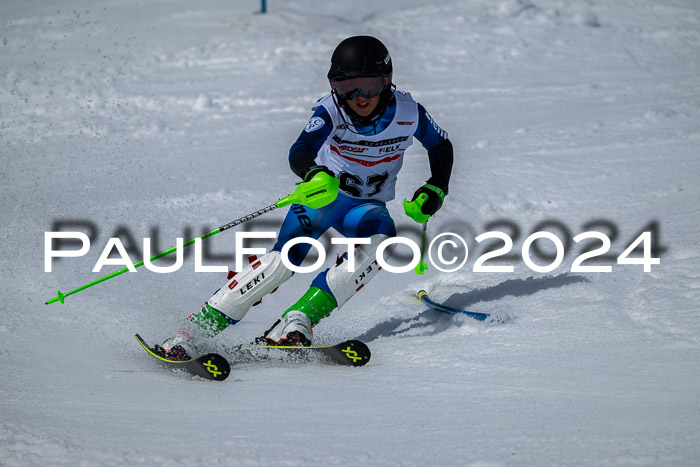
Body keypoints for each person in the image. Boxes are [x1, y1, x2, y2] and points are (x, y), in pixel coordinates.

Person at [156, 35, 454, 360]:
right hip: (321, 200)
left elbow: (440, 147)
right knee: (283, 262)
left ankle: (297, 321)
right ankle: (191, 332)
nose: (360, 97)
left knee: (380, 246)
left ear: (387, 81)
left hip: (366, 207)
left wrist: (436, 187)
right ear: (334, 86)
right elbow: (300, 150)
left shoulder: (409, 113)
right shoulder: (330, 111)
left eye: (369, 85)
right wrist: (314, 174)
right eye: (348, 87)